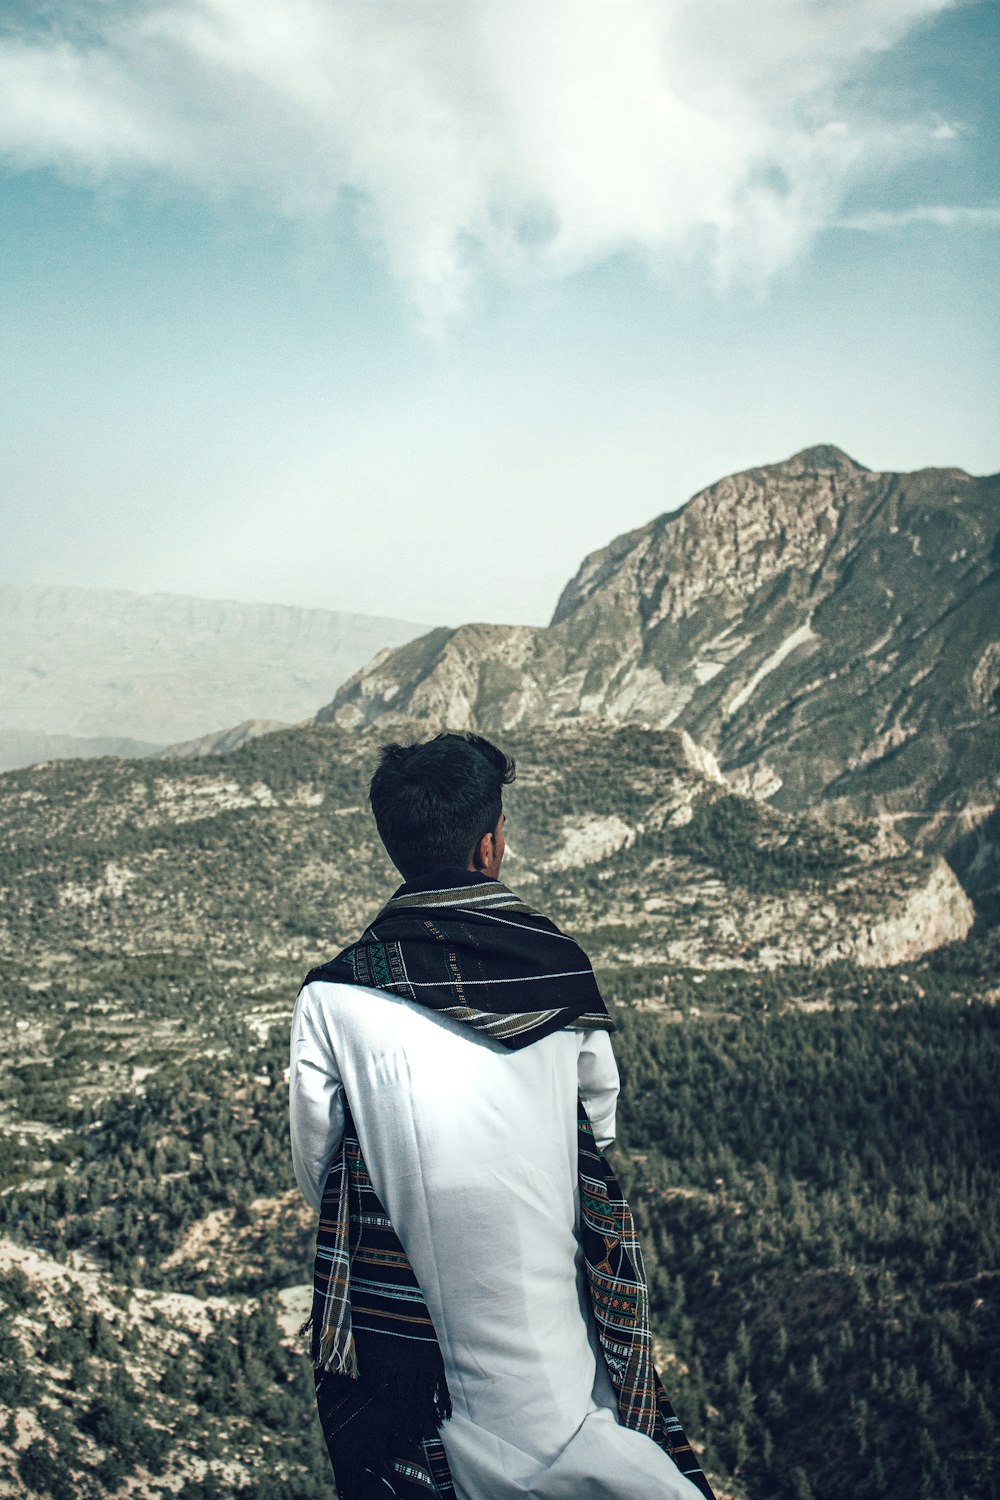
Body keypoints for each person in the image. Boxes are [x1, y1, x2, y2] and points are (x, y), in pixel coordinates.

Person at [289, 731, 714, 1500]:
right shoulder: (557, 969)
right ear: (490, 847)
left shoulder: (333, 998)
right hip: (558, 1352)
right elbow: (599, 1127)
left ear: (397, 849)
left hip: (412, 1362)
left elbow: (321, 1172)